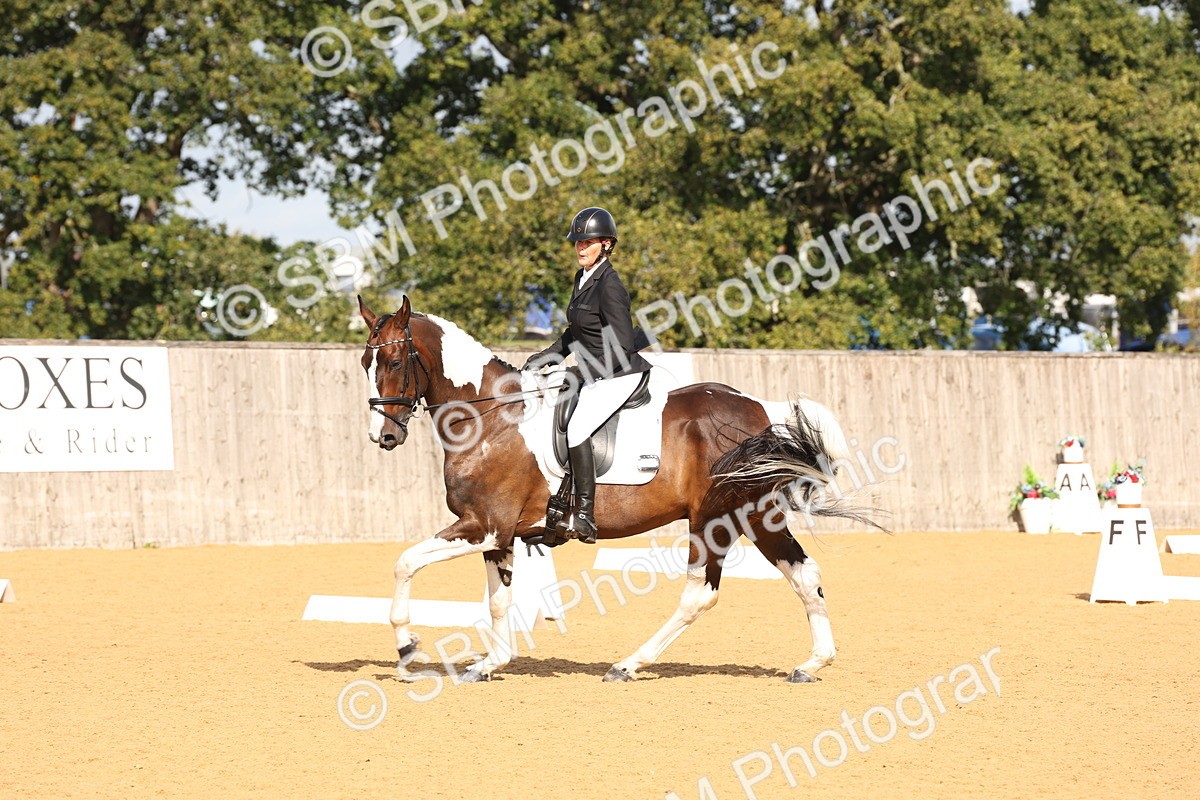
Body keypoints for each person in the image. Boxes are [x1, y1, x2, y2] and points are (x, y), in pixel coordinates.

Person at [522, 207, 652, 544]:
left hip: (619, 374)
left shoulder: (610, 285)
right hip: (595, 372)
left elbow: (623, 346)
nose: (581, 247)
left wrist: (581, 371)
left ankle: (584, 515)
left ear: (606, 244)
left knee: (578, 427)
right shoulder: (583, 279)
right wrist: (545, 357)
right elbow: (574, 332)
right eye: (577, 242)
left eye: (588, 242)